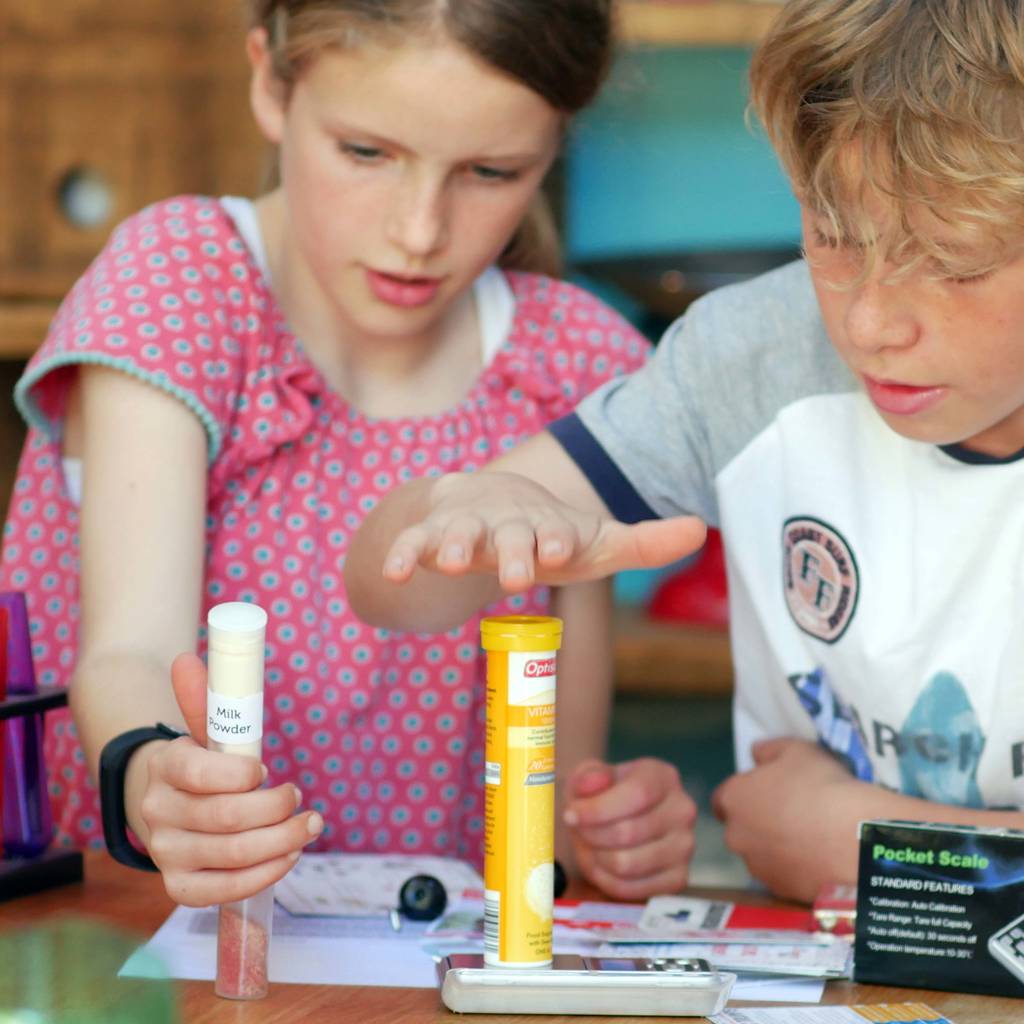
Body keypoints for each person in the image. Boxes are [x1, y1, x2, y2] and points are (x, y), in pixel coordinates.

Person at [1, 0, 698, 908]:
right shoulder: (180, 285)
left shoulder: (571, 364)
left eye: (491, 170)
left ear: (554, 145)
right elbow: (129, 652)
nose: (419, 230)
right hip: (141, 948)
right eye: (366, 154)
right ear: (270, 82)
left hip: (426, 977)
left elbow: (560, 797)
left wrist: (614, 836)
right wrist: (152, 776)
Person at [345, 0, 1024, 904]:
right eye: (834, 237)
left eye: (952, 259)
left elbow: (866, 863)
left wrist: (864, 847)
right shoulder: (753, 356)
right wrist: (466, 516)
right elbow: (390, 588)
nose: (869, 322)